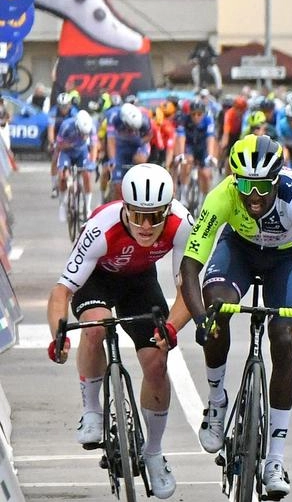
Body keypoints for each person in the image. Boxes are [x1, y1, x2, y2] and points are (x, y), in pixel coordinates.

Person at [179, 135, 292, 499]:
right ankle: (217, 401)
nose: (253, 195)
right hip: (240, 252)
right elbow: (189, 268)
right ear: (235, 179)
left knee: (284, 338)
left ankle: (274, 459)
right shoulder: (222, 196)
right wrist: (202, 321)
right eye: (245, 184)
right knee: (216, 307)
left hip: (286, 259)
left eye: (263, 186)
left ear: (277, 180)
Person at [46, 164, 193, 500]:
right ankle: (91, 412)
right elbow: (62, 291)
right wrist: (59, 334)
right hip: (97, 278)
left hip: (140, 282)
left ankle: (153, 453)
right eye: (137, 215)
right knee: (95, 327)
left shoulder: (182, 224)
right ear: (124, 207)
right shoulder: (101, 228)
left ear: (167, 211)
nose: (145, 226)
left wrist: (171, 327)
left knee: (157, 362)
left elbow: (187, 288)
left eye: (154, 216)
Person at [173, 98, 218, 208]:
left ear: (203, 114)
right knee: (186, 162)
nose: (196, 117)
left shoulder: (208, 120)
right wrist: (180, 154)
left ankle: (204, 199)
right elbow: (181, 137)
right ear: (190, 114)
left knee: (206, 175)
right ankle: (183, 196)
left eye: (199, 114)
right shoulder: (184, 120)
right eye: (193, 114)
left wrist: (211, 156)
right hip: (190, 147)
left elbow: (210, 138)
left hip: (203, 148)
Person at [54, 109, 97, 222]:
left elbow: (94, 147)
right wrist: (71, 144)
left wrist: (92, 162)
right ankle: (62, 204)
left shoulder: (91, 127)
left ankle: (87, 208)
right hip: (66, 152)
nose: (84, 137)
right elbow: (59, 146)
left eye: (85, 134)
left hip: (81, 153)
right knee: (63, 177)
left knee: (87, 175)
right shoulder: (66, 126)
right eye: (82, 133)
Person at [106, 102, 153, 201]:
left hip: (138, 145)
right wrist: (112, 159)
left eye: (134, 129)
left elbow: (149, 136)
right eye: (130, 128)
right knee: (118, 187)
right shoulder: (113, 117)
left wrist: (140, 144)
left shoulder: (145, 120)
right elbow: (111, 141)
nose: (132, 131)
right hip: (120, 148)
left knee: (139, 159)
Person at [47, 91, 80, 198]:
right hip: (58, 136)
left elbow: (78, 129)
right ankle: (54, 186)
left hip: (70, 136)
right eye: (61, 106)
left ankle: (75, 179)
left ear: (70, 104)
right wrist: (52, 142)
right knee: (55, 159)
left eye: (65, 106)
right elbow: (50, 129)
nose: (63, 108)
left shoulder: (74, 112)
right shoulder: (53, 112)